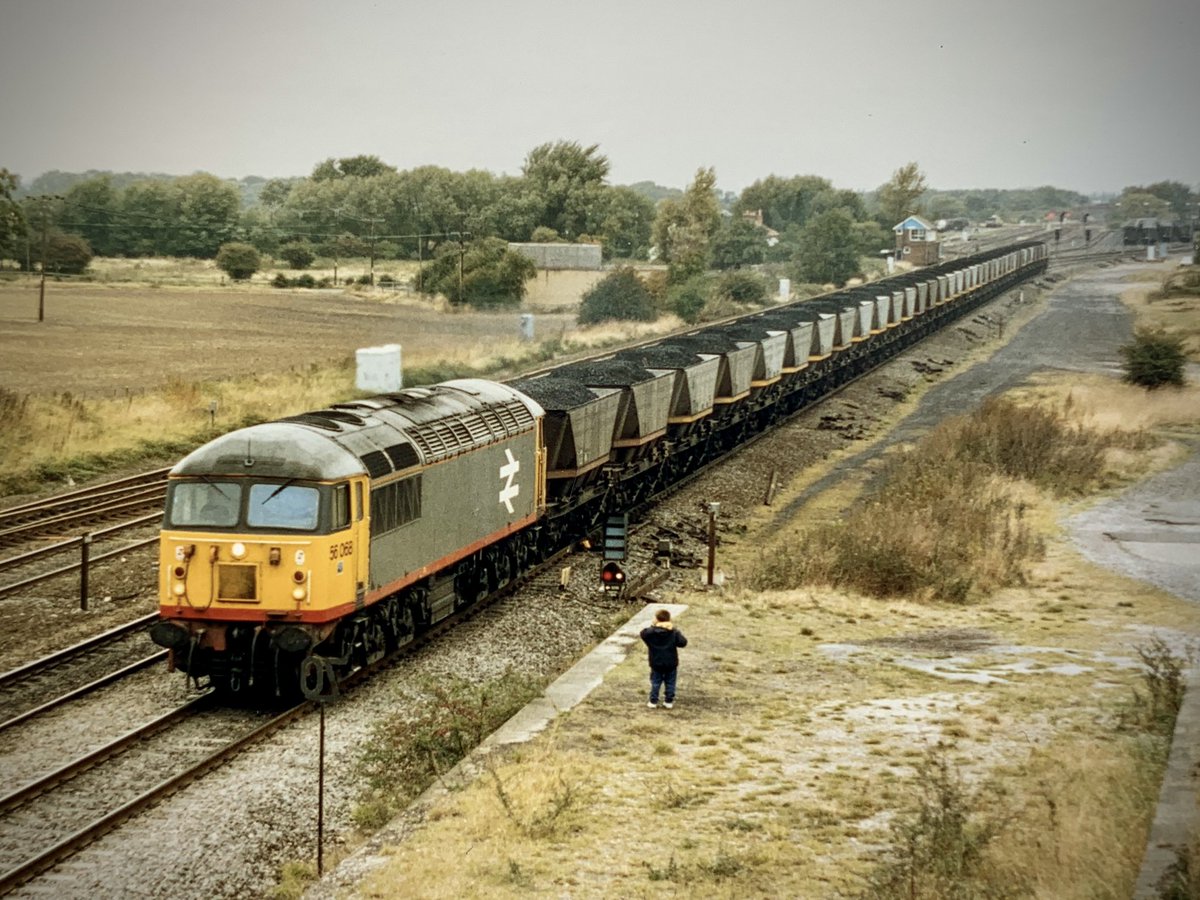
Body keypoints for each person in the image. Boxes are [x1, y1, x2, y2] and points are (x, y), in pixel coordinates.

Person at [640, 608, 687, 709]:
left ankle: (653, 701)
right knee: (670, 682)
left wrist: (653, 626)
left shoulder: (651, 633)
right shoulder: (673, 632)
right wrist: (675, 630)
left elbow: (643, 633)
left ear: (657, 619)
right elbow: (683, 643)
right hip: (671, 662)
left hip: (656, 662)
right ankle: (668, 701)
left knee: (656, 682)